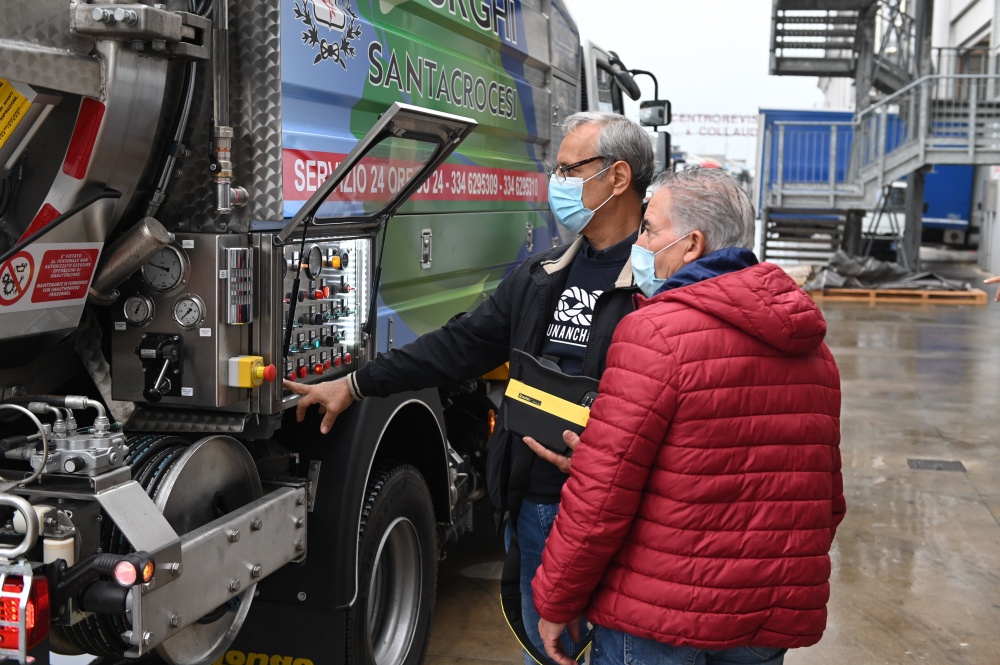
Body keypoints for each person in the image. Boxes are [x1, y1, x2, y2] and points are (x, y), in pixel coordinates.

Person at [284, 111, 655, 663]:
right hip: (532, 511)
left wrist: (613, 464)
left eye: (568, 170)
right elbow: (458, 346)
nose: (556, 183)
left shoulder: (663, 283)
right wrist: (356, 384)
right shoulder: (542, 276)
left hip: (613, 522)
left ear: (618, 178)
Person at [528, 168, 845, 665]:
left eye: (651, 230)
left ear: (692, 244)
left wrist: (557, 598)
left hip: (659, 619)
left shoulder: (654, 333)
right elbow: (825, 501)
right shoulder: (813, 350)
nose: (641, 240)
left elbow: (601, 496)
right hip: (760, 622)